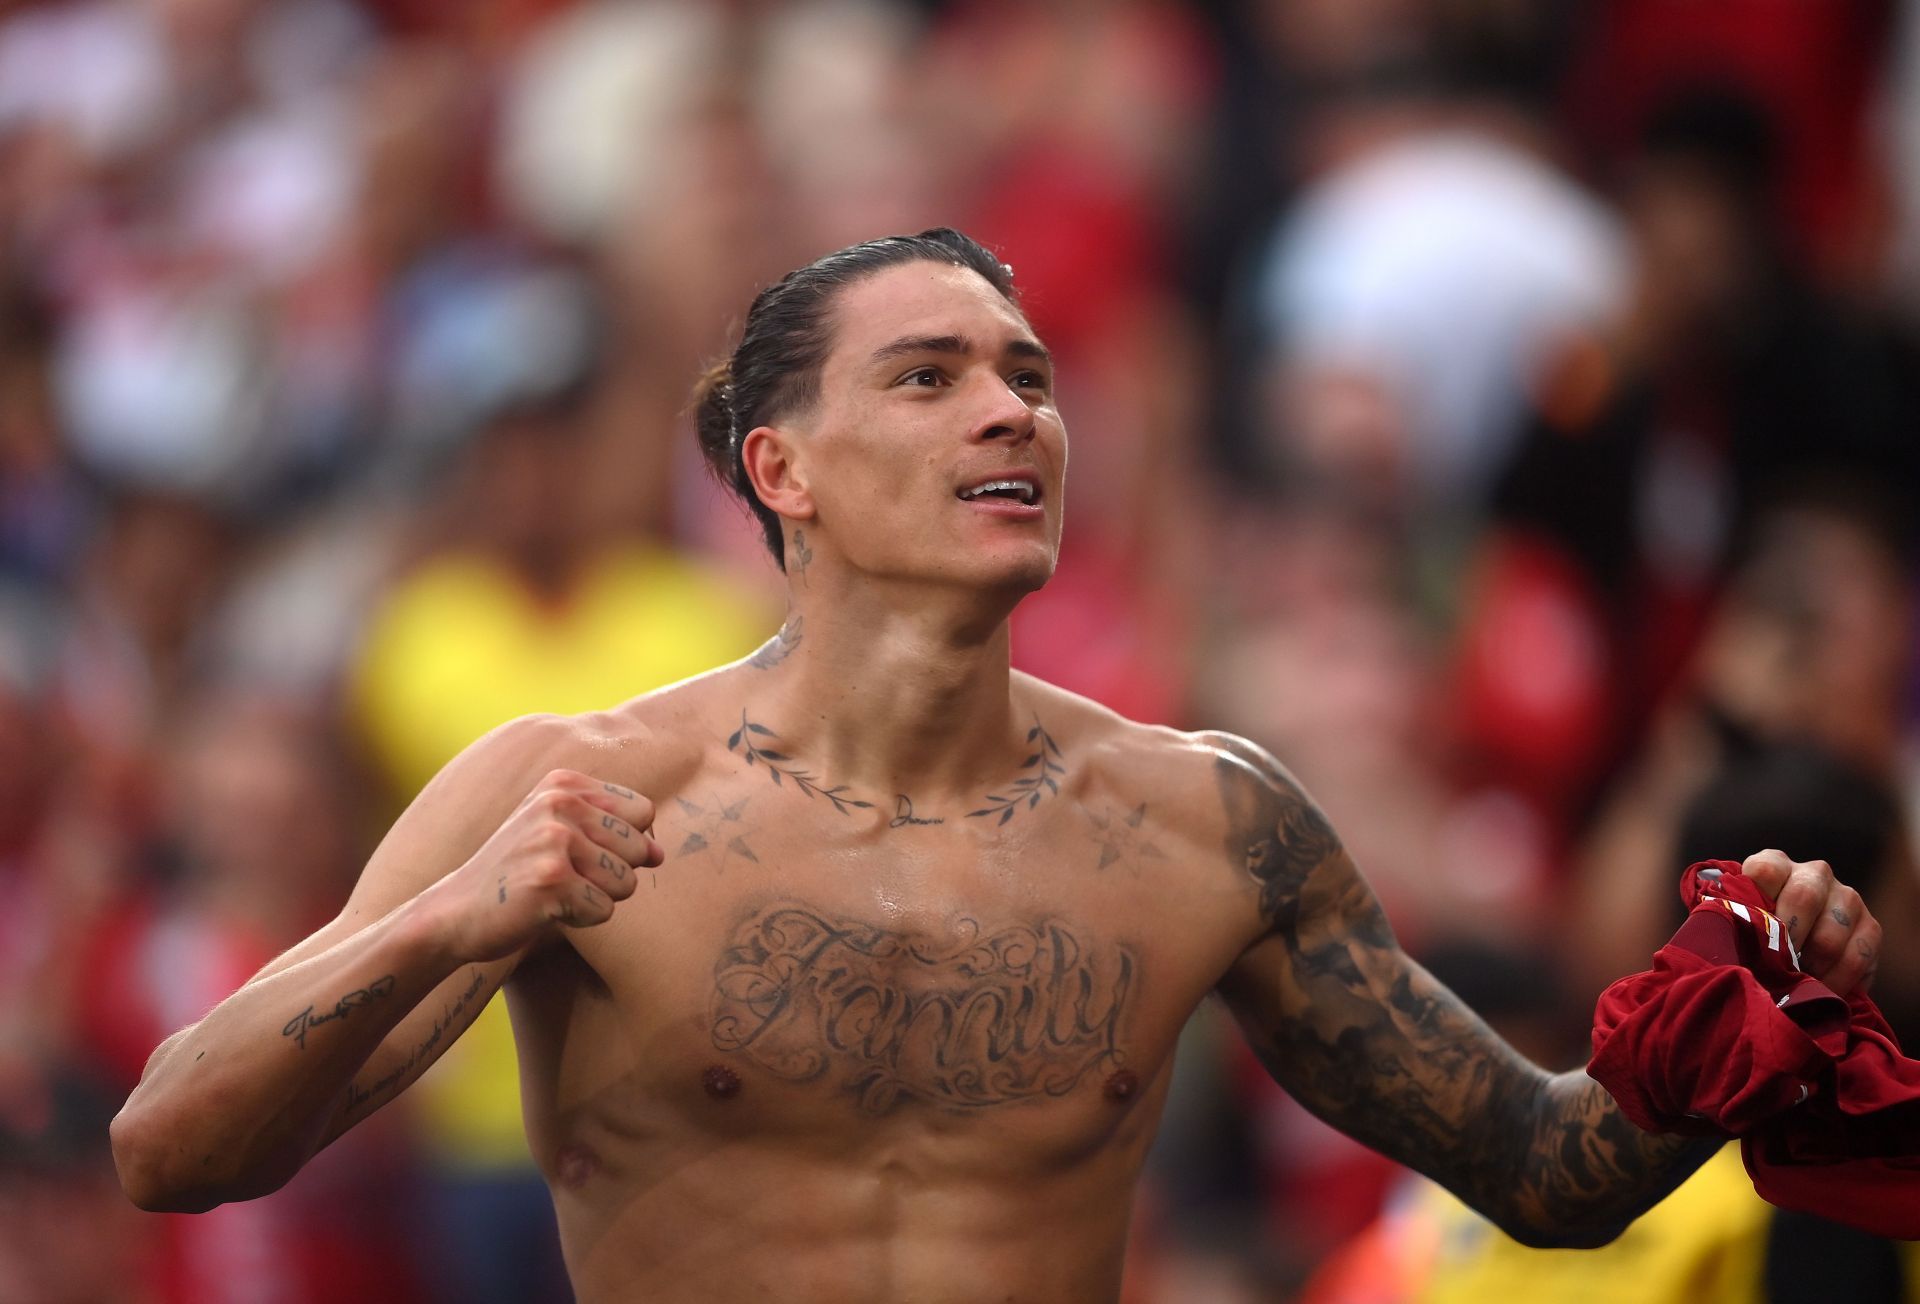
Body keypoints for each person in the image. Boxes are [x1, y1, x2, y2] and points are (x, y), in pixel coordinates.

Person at [108, 229, 1882, 1303]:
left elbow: (1545, 1176)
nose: (1011, 411)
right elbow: (168, 1147)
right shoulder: (572, 784)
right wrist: (450, 922)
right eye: (933, 375)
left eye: (1028, 376)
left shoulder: (1211, 821)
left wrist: (1739, 1016)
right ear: (782, 469)